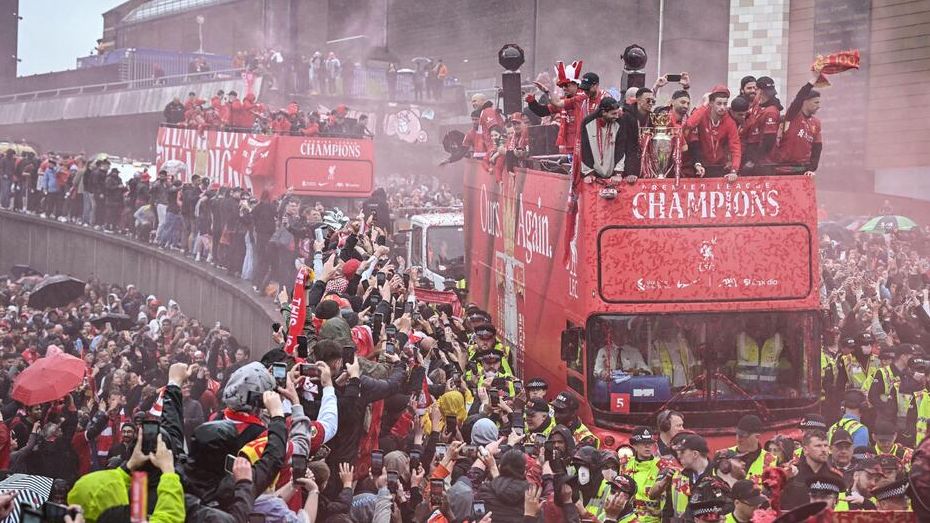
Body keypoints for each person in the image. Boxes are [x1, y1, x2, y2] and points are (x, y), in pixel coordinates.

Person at [685, 84, 741, 181]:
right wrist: (704, 105)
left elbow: (735, 147)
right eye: (719, 103)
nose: (723, 107)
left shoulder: (730, 122)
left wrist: (734, 171)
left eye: (725, 103)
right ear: (711, 103)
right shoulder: (702, 114)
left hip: (720, 167)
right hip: (700, 166)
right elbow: (689, 124)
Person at [773, 67, 823, 176]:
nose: (819, 106)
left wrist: (811, 169)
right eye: (816, 103)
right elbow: (799, 98)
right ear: (805, 102)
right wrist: (813, 80)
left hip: (803, 170)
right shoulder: (793, 115)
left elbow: (817, 148)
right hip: (783, 169)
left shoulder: (816, 123)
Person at [781, 430, 835, 509]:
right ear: (805, 450)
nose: (823, 450)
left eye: (826, 445)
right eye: (818, 446)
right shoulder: (793, 475)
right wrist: (785, 480)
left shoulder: (834, 475)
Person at [741, 76, 781, 174]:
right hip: (751, 153)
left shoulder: (771, 111)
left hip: (763, 162)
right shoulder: (757, 106)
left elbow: (769, 140)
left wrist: (753, 161)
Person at [579, 97, 626, 181]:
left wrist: (618, 172)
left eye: (617, 113)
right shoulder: (587, 123)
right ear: (604, 112)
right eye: (613, 114)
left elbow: (621, 149)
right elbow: (585, 149)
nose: (616, 116)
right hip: (593, 174)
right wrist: (589, 173)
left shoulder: (620, 123)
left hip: (614, 174)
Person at [622, 426, 662, 522]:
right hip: (628, 519)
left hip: (653, 520)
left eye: (650, 443)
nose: (647, 446)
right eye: (643, 443)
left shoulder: (661, 466)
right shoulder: (625, 465)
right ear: (634, 445)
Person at [733, 315, 784, 393]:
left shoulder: (779, 341)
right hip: (741, 394)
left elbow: (788, 369)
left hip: (773, 397)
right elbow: (726, 366)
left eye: (766, 319)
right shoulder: (739, 340)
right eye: (757, 320)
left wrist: (784, 388)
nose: (761, 324)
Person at [728, 415, 776, 487]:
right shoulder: (723, 456)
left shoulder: (773, 461)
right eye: (738, 434)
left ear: (757, 437)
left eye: (744, 435)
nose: (739, 438)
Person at [620, 87, 656, 179]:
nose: (651, 104)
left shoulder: (653, 118)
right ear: (639, 101)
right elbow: (626, 146)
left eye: (653, 101)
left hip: (649, 164)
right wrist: (630, 171)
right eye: (648, 101)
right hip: (630, 165)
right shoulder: (626, 117)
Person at [650, 322, 696, 389]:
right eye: (665, 328)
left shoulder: (683, 343)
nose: (667, 331)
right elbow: (656, 370)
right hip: (668, 389)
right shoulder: (656, 346)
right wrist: (666, 387)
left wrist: (691, 383)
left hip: (686, 388)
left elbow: (691, 366)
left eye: (670, 327)